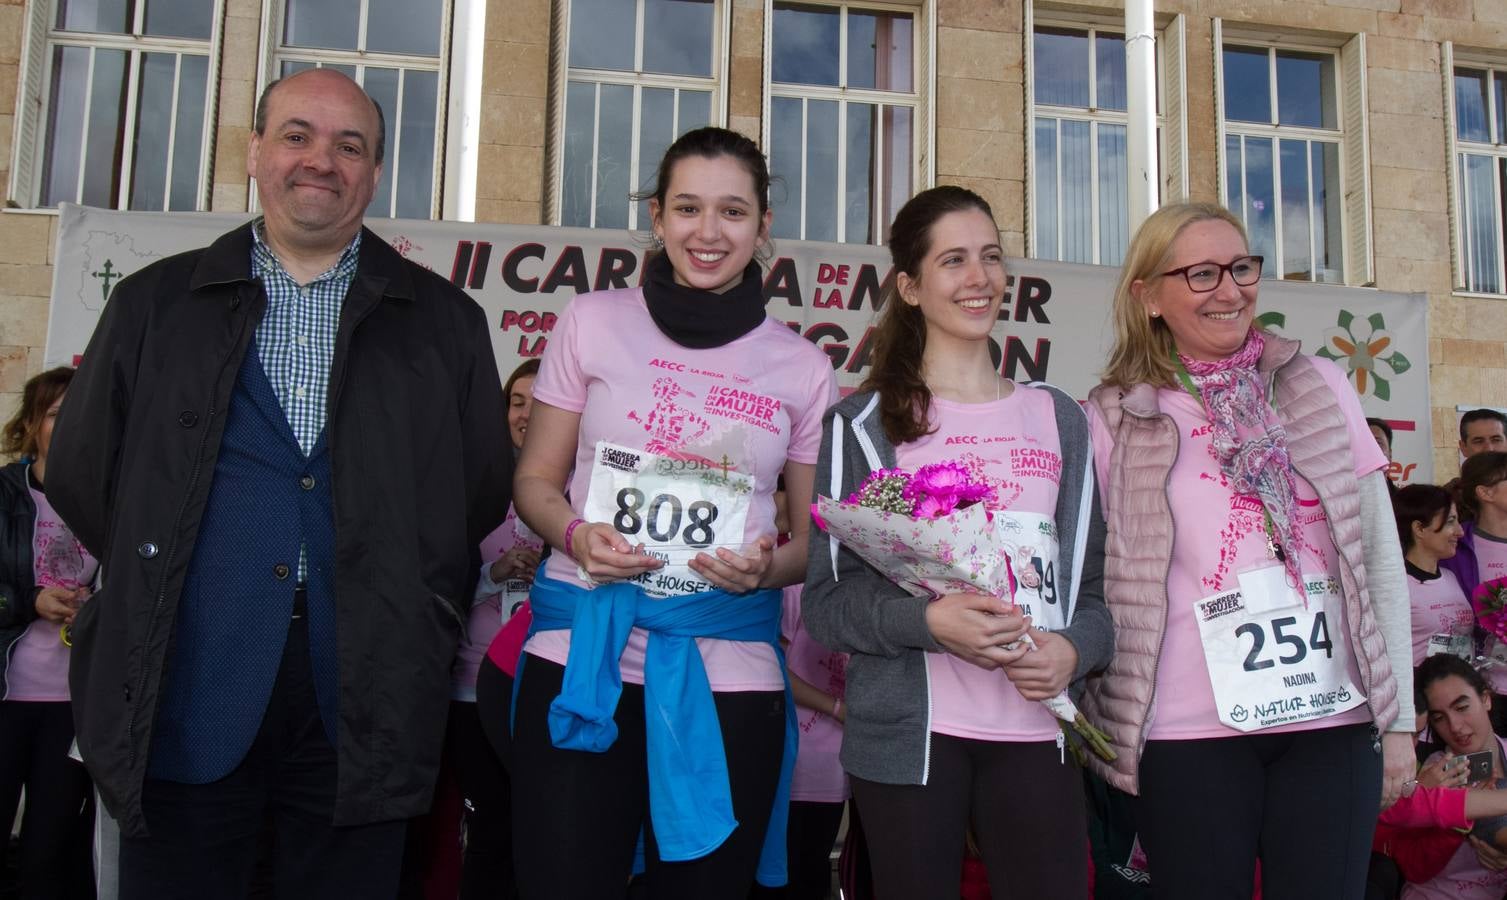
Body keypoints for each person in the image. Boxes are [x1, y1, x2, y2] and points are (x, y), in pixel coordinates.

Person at [46, 68, 512, 900]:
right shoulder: (157, 304)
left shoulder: (446, 325)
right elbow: (85, 470)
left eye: (349, 145)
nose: (320, 160)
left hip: (367, 687)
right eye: (297, 135)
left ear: (374, 173)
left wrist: (416, 602)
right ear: (255, 150)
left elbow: (474, 493)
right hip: (186, 673)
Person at [508, 126, 838, 897]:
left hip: (729, 672)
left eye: (732, 211)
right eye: (687, 207)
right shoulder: (589, 321)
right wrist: (575, 535)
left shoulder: (803, 367)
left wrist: (765, 570)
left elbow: (817, 537)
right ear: (656, 218)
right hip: (581, 655)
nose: (707, 231)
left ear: (761, 228)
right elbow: (534, 483)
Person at [1081, 201, 1414, 900]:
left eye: (1239, 267)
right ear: (1147, 297)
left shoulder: (1318, 385)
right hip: (1186, 732)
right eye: (1199, 273)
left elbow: (1378, 557)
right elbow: (1094, 582)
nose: (1229, 290)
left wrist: (1401, 723)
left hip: (1332, 719)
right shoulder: (1112, 417)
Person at [802, 185, 1112, 898]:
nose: (978, 279)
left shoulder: (1059, 417)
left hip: (1039, 733)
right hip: (910, 744)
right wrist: (928, 623)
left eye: (990, 257)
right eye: (952, 261)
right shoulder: (865, 424)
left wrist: (1071, 652)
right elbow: (826, 606)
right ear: (909, 286)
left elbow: (1092, 598)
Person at [0, 367, 98, 900]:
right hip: (7, 696)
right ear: (33, 423)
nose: (70, 424)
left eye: (79, 412)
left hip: (71, 706)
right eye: (57, 413)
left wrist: (99, 613)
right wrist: (30, 600)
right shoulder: (4, 494)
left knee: (48, 851)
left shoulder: (108, 501)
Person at [446, 358, 542, 899]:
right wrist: (492, 574)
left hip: (546, 685)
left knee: (542, 831)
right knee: (488, 831)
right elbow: (436, 581)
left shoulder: (577, 485)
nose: (527, 414)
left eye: (539, 402)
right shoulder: (474, 486)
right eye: (517, 401)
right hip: (473, 685)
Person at [1384, 654, 1507, 898]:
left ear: (1485, 699)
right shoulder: (1439, 771)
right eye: (1439, 718)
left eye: (1462, 708)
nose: (1456, 727)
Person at [1395, 485, 1472, 667]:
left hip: (1459, 685)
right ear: (1419, 529)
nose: (1460, 532)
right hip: (1417, 690)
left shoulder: (1450, 577)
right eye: (1450, 521)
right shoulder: (1396, 585)